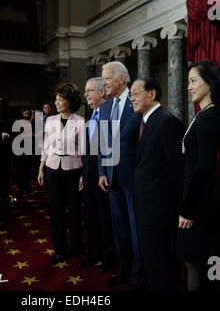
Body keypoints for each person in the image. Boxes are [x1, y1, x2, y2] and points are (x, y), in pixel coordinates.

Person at [176, 59, 220, 291]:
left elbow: (204, 167)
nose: (189, 87)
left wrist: (188, 209)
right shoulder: (206, 115)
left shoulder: (209, 118)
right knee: (206, 259)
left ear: (209, 83)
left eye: (193, 81)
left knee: (198, 260)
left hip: (204, 201)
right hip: (205, 196)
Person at [130, 77, 185, 291]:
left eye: (135, 93)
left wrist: (178, 208)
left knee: (160, 260)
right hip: (145, 205)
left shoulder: (167, 121)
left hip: (159, 208)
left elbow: (179, 169)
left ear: (151, 94)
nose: (131, 98)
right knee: (150, 258)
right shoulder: (145, 121)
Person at [98, 61, 142, 288]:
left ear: (121, 79)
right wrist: (102, 172)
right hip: (111, 179)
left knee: (137, 232)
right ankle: (123, 272)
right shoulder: (105, 107)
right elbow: (102, 143)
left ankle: (137, 278)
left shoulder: (137, 103)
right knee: (120, 230)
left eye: (106, 78)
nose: (102, 82)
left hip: (134, 179)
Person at [38, 83, 85, 264]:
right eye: (56, 99)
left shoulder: (80, 122)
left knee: (74, 211)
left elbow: (83, 151)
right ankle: (60, 251)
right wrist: (42, 168)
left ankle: (75, 249)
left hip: (73, 169)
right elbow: (46, 147)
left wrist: (83, 174)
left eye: (60, 99)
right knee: (56, 211)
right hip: (52, 168)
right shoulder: (50, 121)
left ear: (69, 101)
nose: (56, 102)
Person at [78, 77, 116, 272]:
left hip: (105, 176)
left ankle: (109, 259)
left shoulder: (111, 114)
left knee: (106, 219)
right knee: (90, 217)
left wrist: (105, 173)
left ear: (102, 92)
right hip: (90, 175)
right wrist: (84, 174)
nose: (86, 95)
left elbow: (111, 148)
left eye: (89, 90)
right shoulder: (89, 115)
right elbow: (88, 151)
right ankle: (93, 254)